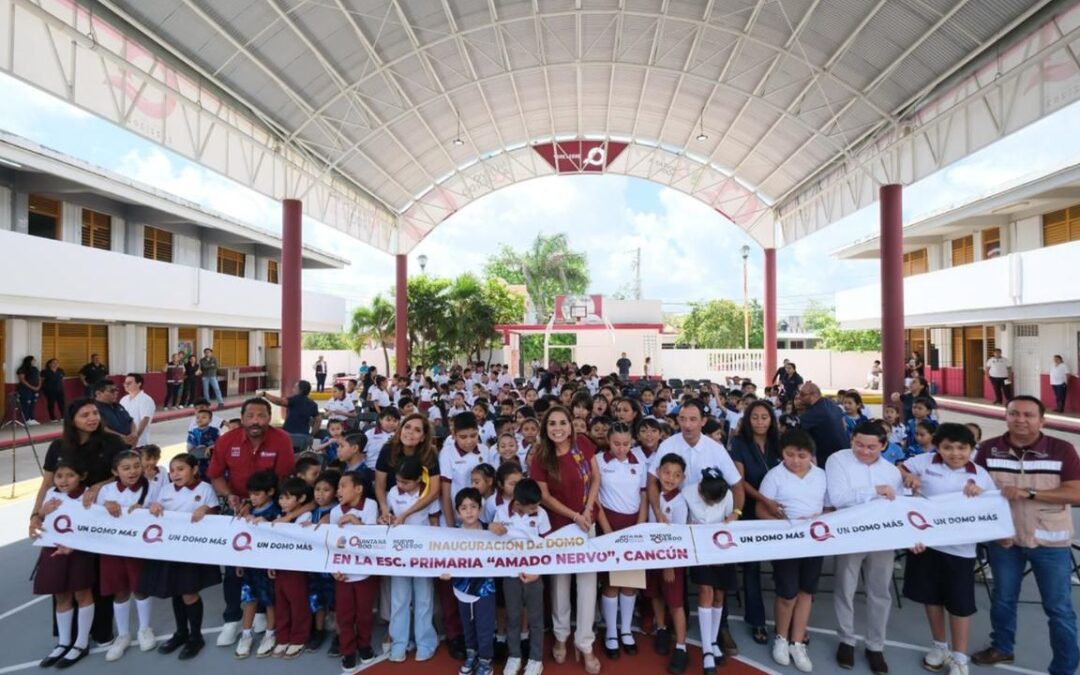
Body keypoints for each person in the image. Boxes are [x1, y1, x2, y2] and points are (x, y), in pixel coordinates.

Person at [971, 396, 1080, 675]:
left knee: (1059, 609)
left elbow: (1076, 493)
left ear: (1042, 420)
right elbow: (977, 492)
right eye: (1014, 413)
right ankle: (1002, 647)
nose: (1020, 419)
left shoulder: (1062, 449)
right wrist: (991, 530)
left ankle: (1065, 668)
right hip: (1005, 540)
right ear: (1005, 416)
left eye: (1028, 415)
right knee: (1003, 598)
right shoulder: (988, 449)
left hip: (1051, 542)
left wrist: (1029, 493)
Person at [898, 423, 996, 675]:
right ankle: (940, 646)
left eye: (962, 448)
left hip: (961, 550)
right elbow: (899, 467)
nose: (955, 453)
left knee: (960, 605)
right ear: (937, 447)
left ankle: (960, 657)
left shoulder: (981, 475)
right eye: (948, 448)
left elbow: (992, 510)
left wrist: (981, 495)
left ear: (972, 449)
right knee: (931, 598)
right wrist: (908, 476)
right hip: (926, 546)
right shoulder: (924, 461)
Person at [206, 398, 296, 648]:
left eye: (261, 416)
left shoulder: (281, 440)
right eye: (250, 416)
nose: (256, 421)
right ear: (242, 417)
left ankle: (261, 613)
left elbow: (285, 480)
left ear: (269, 417)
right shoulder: (227, 440)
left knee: (265, 567)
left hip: (270, 510)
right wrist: (230, 496)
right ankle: (232, 618)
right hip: (237, 511)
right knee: (234, 567)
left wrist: (259, 505)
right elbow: (215, 475)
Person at [826, 421, 903, 674]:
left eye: (871, 447)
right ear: (852, 440)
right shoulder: (838, 460)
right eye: (858, 444)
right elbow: (838, 498)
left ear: (884, 446)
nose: (864, 451)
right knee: (845, 587)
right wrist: (874, 491)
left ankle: (875, 645)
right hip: (850, 535)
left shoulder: (892, 472)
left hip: (882, 537)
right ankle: (846, 639)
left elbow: (898, 506)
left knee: (880, 591)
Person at [530, 405, 602, 674]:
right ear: (545, 428)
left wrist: (587, 510)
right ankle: (561, 636)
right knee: (560, 585)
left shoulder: (583, 444)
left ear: (571, 425)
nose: (558, 428)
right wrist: (574, 516)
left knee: (587, 585)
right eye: (552, 423)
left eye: (562, 422)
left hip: (586, 524)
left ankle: (585, 642)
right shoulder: (540, 456)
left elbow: (596, 478)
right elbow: (544, 497)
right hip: (558, 528)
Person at [138, 453, 220, 660]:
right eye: (172, 470)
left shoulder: (205, 489)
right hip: (170, 548)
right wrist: (154, 507)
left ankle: (196, 636)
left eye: (181, 469)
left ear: (194, 470)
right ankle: (181, 632)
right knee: (176, 591)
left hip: (191, 549)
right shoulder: (165, 490)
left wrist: (206, 509)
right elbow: (154, 509)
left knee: (189, 593)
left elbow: (215, 513)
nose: (175, 474)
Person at [758, 430, 827, 673]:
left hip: (814, 543)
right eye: (789, 455)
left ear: (811, 455)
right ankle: (781, 637)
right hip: (786, 543)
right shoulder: (774, 477)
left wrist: (820, 518)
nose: (795, 460)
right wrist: (783, 526)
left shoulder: (821, 476)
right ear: (782, 453)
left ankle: (797, 642)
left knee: (806, 592)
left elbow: (830, 508)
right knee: (787, 594)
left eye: (801, 456)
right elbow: (761, 510)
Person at [30, 459, 97, 669]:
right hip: (53, 550)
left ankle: (81, 642)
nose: (64, 480)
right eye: (59, 476)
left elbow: (94, 525)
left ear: (81, 476)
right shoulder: (51, 494)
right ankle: (64, 642)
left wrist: (74, 546)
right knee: (61, 595)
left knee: (82, 593)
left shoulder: (88, 495)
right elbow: (41, 521)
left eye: (70, 475)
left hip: (79, 551)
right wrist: (41, 513)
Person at [95, 450, 158, 662]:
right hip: (113, 548)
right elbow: (94, 517)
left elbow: (161, 511)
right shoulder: (106, 491)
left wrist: (151, 508)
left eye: (136, 466)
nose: (132, 471)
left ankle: (144, 628)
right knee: (120, 590)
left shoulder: (152, 488)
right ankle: (123, 634)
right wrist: (106, 506)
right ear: (115, 472)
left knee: (140, 587)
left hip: (139, 548)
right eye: (126, 468)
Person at [727, 400, 781, 646]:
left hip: (779, 512)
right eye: (755, 417)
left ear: (771, 420)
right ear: (748, 420)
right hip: (749, 509)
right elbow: (739, 481)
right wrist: (764, 500)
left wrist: (774, 504)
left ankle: (785, 621)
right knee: (752, 568)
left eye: (764, 417)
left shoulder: (780, 442)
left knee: (783, 567)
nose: (760, 421)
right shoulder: (738, 443)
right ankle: (756, 620)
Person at [596, 422, 646, 660]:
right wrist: (606, 529)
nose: (621, 448)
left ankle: (626, 630)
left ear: (632, 442)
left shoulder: (639, 462)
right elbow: (595, 498)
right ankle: (611, 632)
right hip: (609, 523)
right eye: (616, 443)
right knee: (611, 582)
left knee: (630, 582)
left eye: (626, 444)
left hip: (633, 524)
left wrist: (640, 527)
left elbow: (644, 496)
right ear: (608, 440)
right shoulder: (599, 461)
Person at [385, 455, 440, 662]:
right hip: (399, 553)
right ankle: (399, 642)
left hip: (423, 553)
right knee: (399, 599)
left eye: (406, 482)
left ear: (418, 479)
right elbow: (388, 515)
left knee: (424, 598)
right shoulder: (393, 492)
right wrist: (387, 518)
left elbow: (434, 522)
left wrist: (435, 552)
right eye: (398, 480)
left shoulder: (428, 494)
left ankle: (425, 642)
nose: (400, 485)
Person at [325, 470, 380, 673]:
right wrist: (334, 569)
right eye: (338, 487)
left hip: (364, 572)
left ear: (358, 489)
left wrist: (355, 522)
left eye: (343, 486)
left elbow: (372, 539)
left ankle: (364, 645)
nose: (338, 491)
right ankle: (348, 650)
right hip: (343, 573)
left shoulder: (370, 505)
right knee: (345, 615)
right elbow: (332, 544)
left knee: (364, 614)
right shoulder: (335, 512)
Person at [446, 487, 504, 675]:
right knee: (467, 625)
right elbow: (443, 558)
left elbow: (509, 541)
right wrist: (444, 570)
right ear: (457, 512)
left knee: (485, 626)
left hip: (485, 589)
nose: (469, 511)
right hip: (461, 588)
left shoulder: (490, 530)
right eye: (463, 508)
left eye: (473, 507)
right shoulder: (451, 535)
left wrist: (499, 529)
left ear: (480, 509)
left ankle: (485, 661)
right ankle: (471, 654)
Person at [495, 478, 549, 675]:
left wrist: (537, 572)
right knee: (513, 616)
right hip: (510, 575)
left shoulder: (541, 514)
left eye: (537, 505)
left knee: (535, 618)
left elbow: (548, 546)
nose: (536, 509)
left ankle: (536, 659)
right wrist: (492, 528)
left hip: (534, 575)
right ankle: (514, 656)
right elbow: (492, 541)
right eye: (532, 506)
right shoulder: (501, 512)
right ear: (518, 502)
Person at [685, 467, 736, 674]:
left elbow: (729, 520)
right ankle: (706, 649)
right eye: (710, 500)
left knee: (719, 595)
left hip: (722, 549)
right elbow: (684, 524)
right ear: (700, 489)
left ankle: (714, 641)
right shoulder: (687, 493)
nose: (714, 504)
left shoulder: (727, 494)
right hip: (699, 549)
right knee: (705, 591)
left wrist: (735, 515)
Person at [234, 470, 282, 659]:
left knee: (270, 601)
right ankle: (246, 635)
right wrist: (239, 562)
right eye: (250, 494)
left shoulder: (277, 513)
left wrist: (273, 564)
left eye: (257, 494)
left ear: (270, 492)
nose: (252, 498)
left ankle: (270, 634)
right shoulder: (248, 512)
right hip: (250, 565)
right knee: (249, 599)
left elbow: (278, 542)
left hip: (267, 567)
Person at [796, 382, 848, 466]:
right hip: (844, 454)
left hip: (826, 460)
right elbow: (844, 425)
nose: (799, 397)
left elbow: (799, 439)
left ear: (814, 395)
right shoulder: (831, 403)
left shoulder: (810, 415)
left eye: (802, 394)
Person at [261, 381, 322, 452]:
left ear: (300, 390)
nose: (293, 390)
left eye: (295, 388)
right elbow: (318, 420)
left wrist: (265, 394)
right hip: (305, 438)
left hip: (290, 436)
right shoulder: (313, 404)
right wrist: (312, 434)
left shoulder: (295, 399)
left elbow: (280, 401)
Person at [119, 373, 156, 448]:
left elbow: (145, 419)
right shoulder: (123, 400)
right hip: (124, 440)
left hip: (139, 442)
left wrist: (136, 437)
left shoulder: (145, 400)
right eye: (125, 383)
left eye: (129, 383)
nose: (126, 385)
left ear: (139, 384)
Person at [16, 355, 42, 425]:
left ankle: (32, 418)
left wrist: (39, 386)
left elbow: (39, 378)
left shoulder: (35, 368)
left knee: (33, 404)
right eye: (33, 360)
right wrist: (32, 387)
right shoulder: (22, 369)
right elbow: (22, 380)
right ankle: (26, 419)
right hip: (25, 390)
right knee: (26, 404)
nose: (35, 361)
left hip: (35, 390)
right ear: (29, 361)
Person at [41, 358, 67, 422]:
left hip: (59, 389)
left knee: (62, 403)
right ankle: (52, 418)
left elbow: (62, 379)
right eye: (54, 363)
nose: (56, 364)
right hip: (49, 390)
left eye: (57, 363)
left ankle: (63, 416)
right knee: (51, 404)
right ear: (49, 364)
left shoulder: (60, 370)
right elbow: (41, 380)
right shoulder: (45, 371)